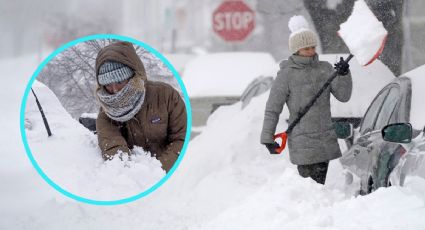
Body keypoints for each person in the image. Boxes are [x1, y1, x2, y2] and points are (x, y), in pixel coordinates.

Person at [260, 16, 352, 184]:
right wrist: (267, 137)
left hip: (325, 141)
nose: (310, 51)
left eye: (312, 47)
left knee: (322, 190)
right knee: (311, 189)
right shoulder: (286, 75)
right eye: (305, 48)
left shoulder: (325, 69)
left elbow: (344, 96)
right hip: (303, 143)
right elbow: (273, 108)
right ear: (296, 50)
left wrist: (344, 75)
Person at [95, 41, 187, 172]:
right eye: (108, 85)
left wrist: (158, 171)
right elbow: (112, 146)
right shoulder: (106, 112)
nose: (114, 90)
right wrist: (127, 171)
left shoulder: (166, 96)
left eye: (119, 81)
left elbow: (182, 139)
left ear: (133, 75)